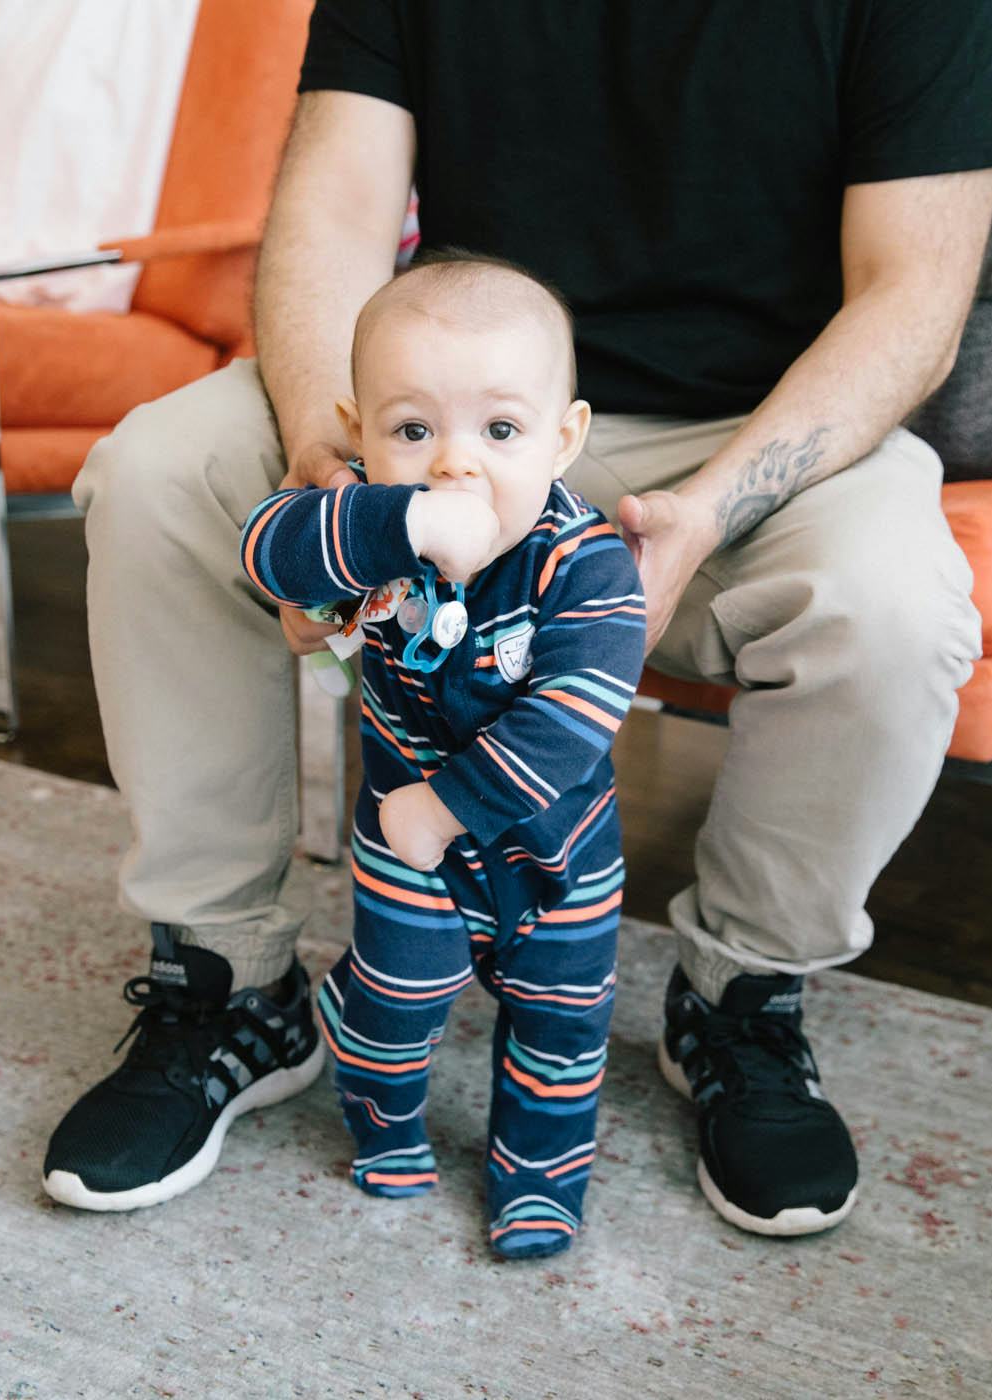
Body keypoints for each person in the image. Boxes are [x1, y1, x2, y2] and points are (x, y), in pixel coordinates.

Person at [45, 0, 992, 1237]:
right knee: (158, 475)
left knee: (888, 605)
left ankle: (740, 997)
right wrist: (323, 455)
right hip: (443, 408)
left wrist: (710, 513)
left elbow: (913, 299)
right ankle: (230, 982)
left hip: (746, 425)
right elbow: (338, 217)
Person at [240, 253, 642, 1258]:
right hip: (408, 861)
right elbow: (265, 550)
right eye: (414, 430)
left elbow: (569, 720)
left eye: (500, 431)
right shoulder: (376, 534)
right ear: (363, 433)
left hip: (557, 859)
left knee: (561, 1025)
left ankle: (540, 1174)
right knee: (394, 999)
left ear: (565, 436)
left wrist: (446, 805)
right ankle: (383, 1117)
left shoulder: (585, 566)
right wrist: (395, 518)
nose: (455, 463)